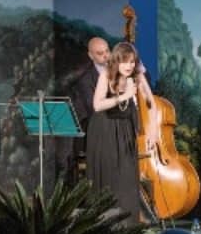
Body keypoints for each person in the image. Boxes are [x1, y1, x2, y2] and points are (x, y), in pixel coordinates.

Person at [86, 42, 158, 224]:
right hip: (104, 131)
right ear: (116, 61)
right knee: (108, 181)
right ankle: (105, 229)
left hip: (125, 131)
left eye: (132, 62)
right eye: (125, 62)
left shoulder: (137, 78)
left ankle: (128, 230)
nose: (129, 66)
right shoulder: (105, 76)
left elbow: (151, 103)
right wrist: (123, 97)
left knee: (127, 180)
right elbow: (97, 105)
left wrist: (153, 132)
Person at [59, 37, 111, 185]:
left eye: (107, 51)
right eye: (100, 53)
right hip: (91, 130)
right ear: (91, 56)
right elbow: (95, 110)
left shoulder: (120, 69)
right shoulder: (85, 80)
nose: (106, 56)